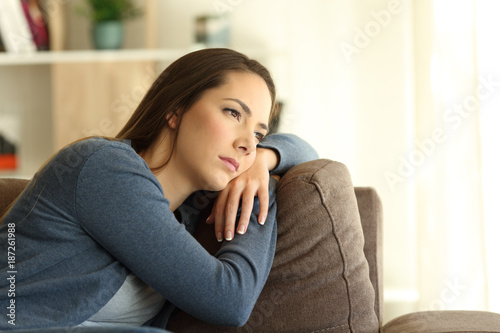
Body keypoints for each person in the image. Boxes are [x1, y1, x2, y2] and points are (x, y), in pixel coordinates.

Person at [0, 48, 318, 331]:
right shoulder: (105, 169)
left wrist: (265, 160)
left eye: (259, 135)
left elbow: (308, 155)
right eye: (233, 113)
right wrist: (261, 192)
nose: (247, 143)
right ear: (175, 110)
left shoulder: (188, 211)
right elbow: (229, 301)